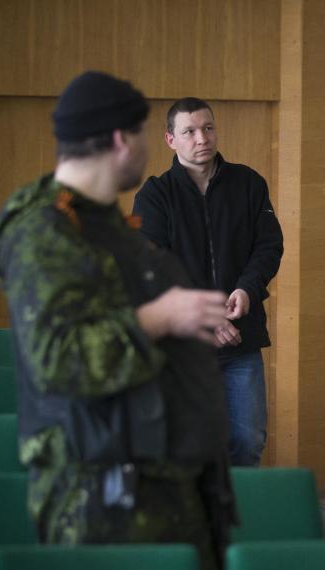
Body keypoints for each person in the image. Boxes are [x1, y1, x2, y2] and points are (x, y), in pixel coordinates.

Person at [0, 71, 237, 570]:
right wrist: (161, 315)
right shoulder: (44, 233)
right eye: (147, 133)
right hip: (103, 499)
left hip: (166, 486)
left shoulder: (109, 227)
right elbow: (59, 358)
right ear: (122, 140)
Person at [133, 97, 283, 467]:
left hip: (239, 341)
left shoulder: (248, 183)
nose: (202, 138)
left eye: (208, 128)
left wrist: (247, 289)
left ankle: (236, 525)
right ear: (171, 140)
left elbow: (268, 247)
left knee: (247, 443)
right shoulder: (154, 195)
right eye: (189, 131)